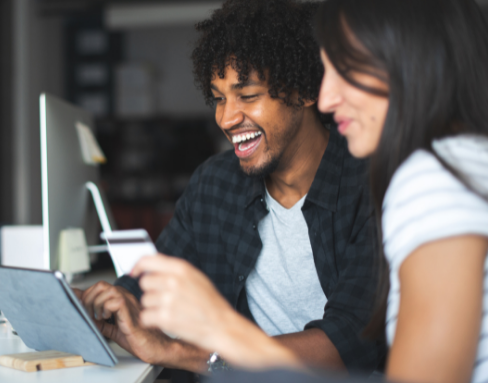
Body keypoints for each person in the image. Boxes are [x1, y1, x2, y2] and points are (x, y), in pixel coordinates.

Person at [132, 0, 488, 382]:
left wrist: (216, 332)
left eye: (346, 69)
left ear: (409, 63)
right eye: (218, 99)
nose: (328, 97)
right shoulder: (463, 163)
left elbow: (377, 357)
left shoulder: (431, 180)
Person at [79, 0, 384, 374]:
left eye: (249, 96)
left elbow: (348, 343)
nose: (226, 118)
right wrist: (108, 302)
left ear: (305, 91)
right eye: (219, 99)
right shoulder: (216, 183)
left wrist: (173, 350)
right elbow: (151, 280)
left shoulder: (369, 186)